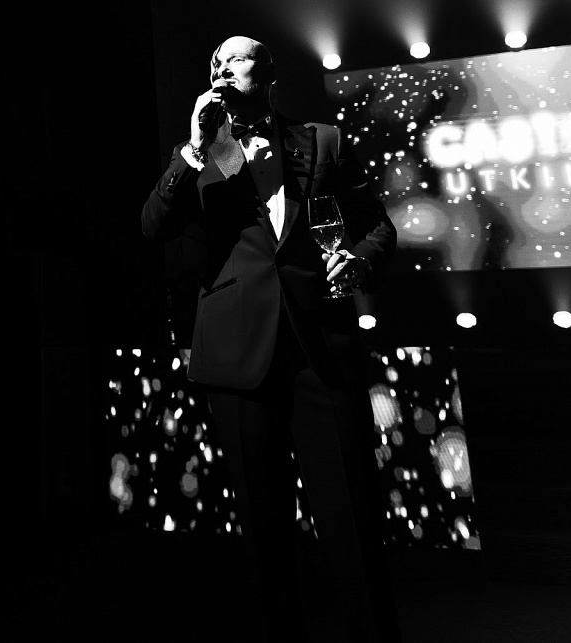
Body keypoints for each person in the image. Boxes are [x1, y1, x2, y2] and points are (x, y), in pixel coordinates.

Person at [141, 36, 400, 643]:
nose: (227, 66)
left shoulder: (322, 140)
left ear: (269, 71)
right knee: (263, 527)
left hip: (319, 348)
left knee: (352, 516)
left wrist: (360, 260)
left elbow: (378, 226)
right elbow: (153, 225)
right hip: (237, 353)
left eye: (240, 57)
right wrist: (195, 147)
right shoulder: (200, 154)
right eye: (218, 62)